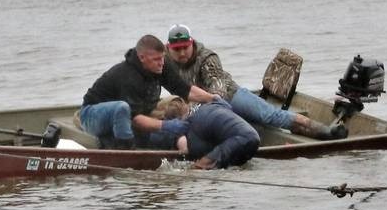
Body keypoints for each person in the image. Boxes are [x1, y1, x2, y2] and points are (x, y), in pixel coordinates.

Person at [164, 24, 347, 140]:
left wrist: (196, 110)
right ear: (168, 48)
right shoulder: (163, 62)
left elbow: (217, 90)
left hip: (230, 96)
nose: (181, 53)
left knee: (270, 116)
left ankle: (324, 130)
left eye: (185, 48)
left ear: (192, 43)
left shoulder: (207, 58)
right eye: (176, 49)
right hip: (201, 107)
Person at [79, 34, 215, 149]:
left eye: (162, 57)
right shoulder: (128, 76)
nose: (161, 63)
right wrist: (167, 125)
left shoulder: (160, 65)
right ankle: (124, 149)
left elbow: (185, 90)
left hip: (133, 115)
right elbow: (136, 119)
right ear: (142, 58)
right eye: (156, 59)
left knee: (175, 105)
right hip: (92, 115)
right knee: (122, 109)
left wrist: (213, 99)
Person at [150, 96, 261, 169]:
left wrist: (202, 163)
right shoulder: (212, 105)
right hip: (248, 139)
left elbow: (184, 146)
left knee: (195, 168)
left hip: (242, 138)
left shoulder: (190, 126)